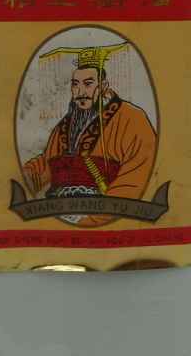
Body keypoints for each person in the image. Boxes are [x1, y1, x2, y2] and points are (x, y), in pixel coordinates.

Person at [23, 44, 157, 227]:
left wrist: (92, 219)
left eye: (88, 84)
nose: (80, 92)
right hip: (57, 212)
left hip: (103, 215)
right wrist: (26, 176)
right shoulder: (64, 126)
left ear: (103, 86)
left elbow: (134, 179)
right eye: (75, 85)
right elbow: (47, 164)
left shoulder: (132, 119)